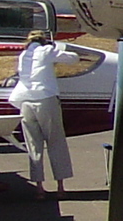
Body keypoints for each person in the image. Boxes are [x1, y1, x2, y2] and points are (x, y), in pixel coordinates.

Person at [8, 29, 80, 198]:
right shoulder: (46, 51)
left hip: (24, 100)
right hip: (45, 98)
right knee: (55, 141)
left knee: (34, 144)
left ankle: (39, 188)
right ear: (43, 40)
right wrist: (55, 47)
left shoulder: (23, 55)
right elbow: (73, 59)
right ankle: (60, 186)